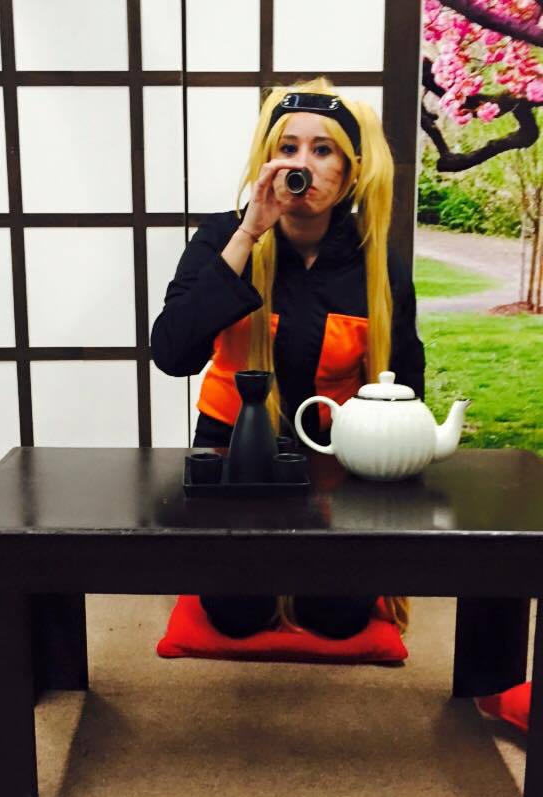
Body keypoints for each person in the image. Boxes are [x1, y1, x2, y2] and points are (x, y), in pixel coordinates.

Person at [151, 76, 425, 640]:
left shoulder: (376, 264)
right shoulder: (223, 237)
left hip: (334, 460)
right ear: (267, 162)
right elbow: (172, 353)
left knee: (338, 619)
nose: (302, 164)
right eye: (288, 147)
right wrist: (249, 233)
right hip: (233, 452)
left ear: (350, 170)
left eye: (323, 150)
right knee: (236, 617)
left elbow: (408, 382)